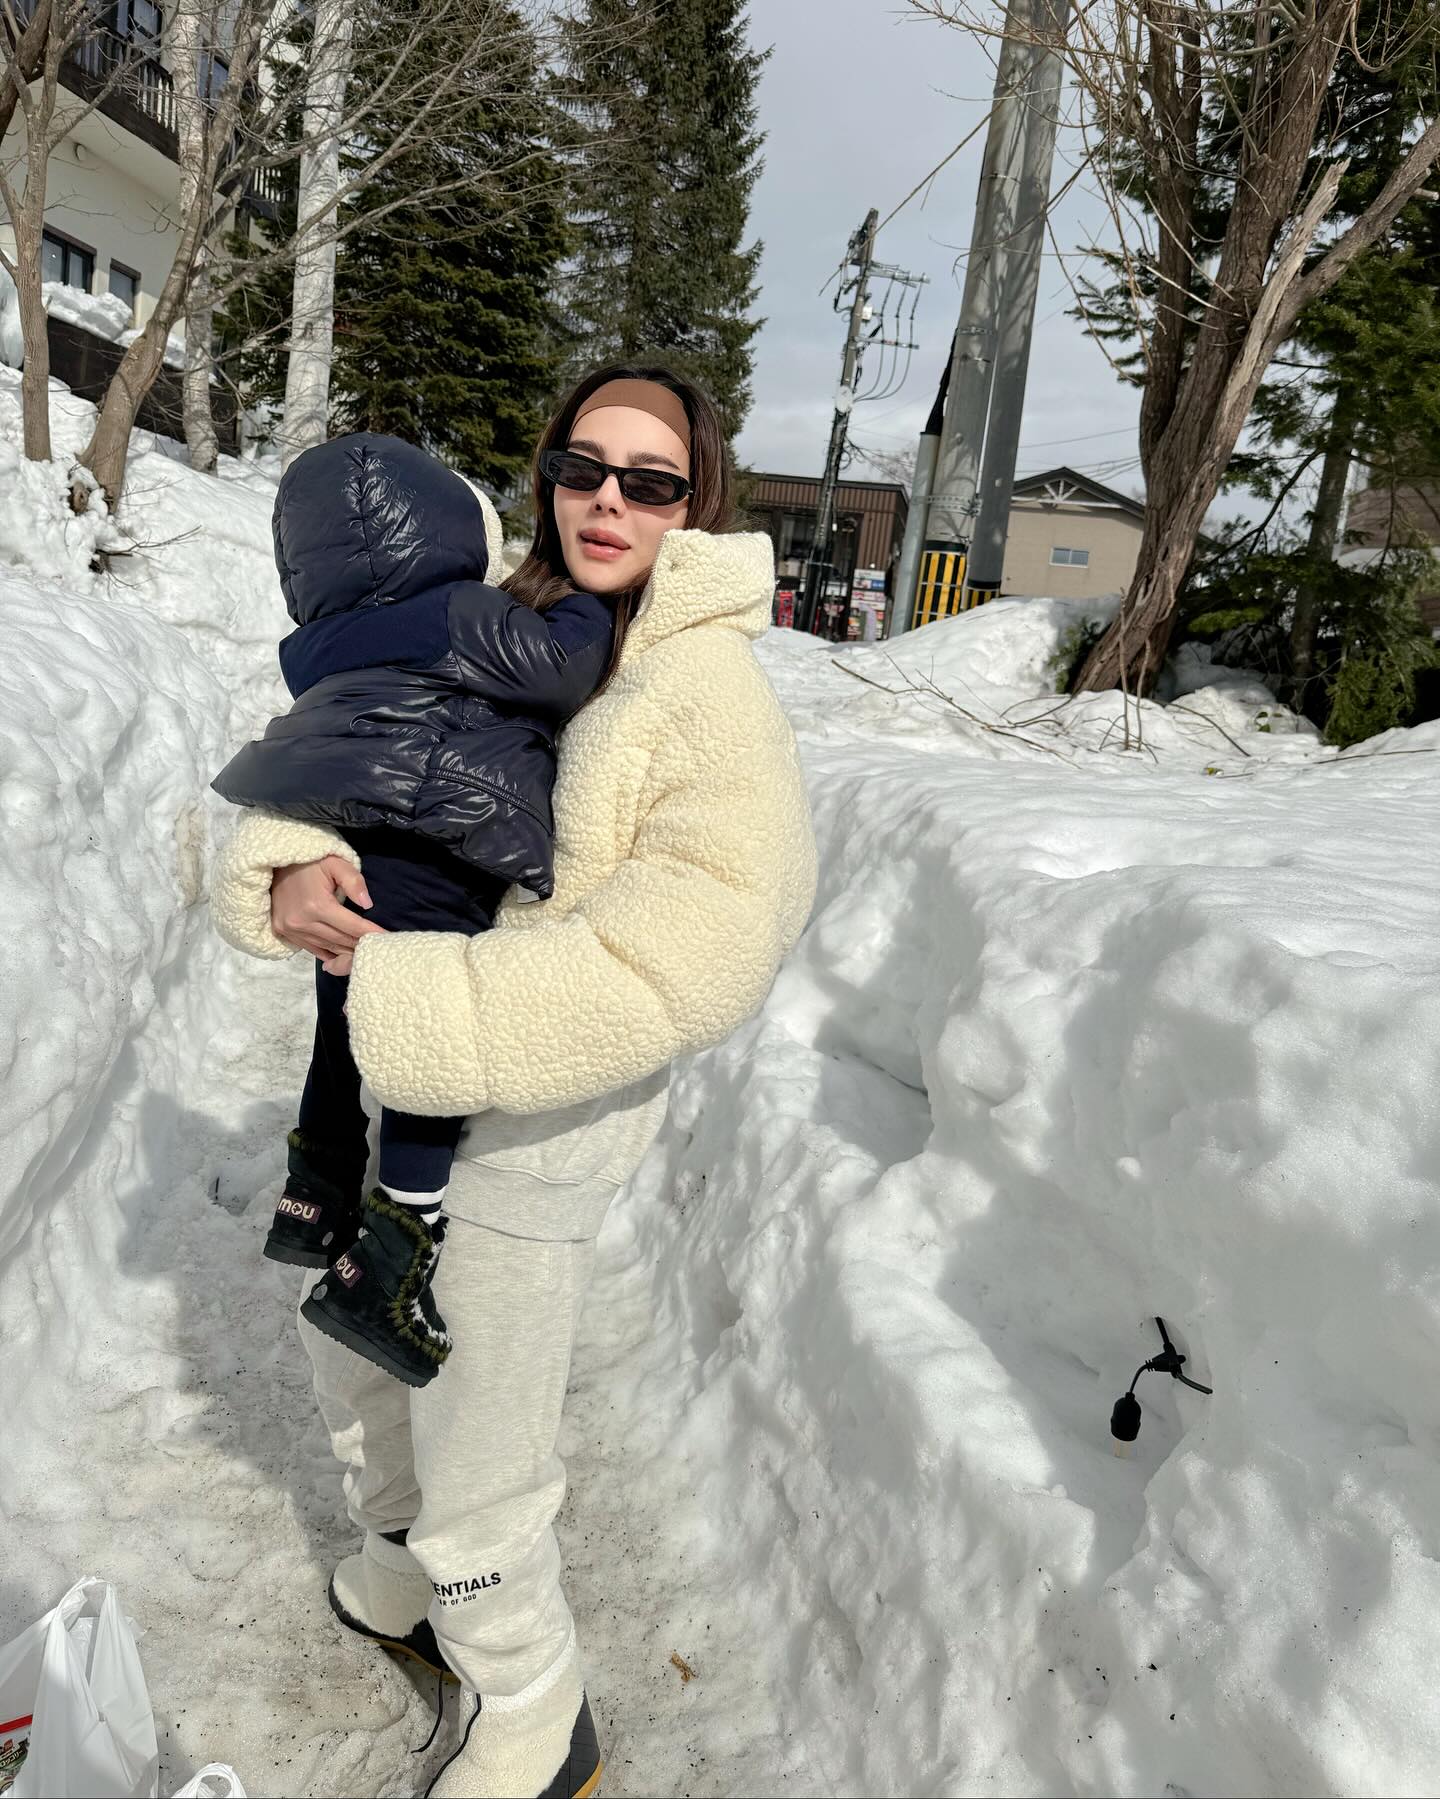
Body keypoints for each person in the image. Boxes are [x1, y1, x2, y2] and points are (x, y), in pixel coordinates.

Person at [210, 365, 818, 1799]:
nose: (610, 498)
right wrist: (284, 864)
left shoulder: (702, 687)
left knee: (478, 1427)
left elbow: (701, 949)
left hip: (529, 1123)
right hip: (384, 1082)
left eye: (650, 478)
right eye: (583, 464)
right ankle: (402, 1578)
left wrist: (425, 1001)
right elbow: (353, 752)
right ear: (544, 475)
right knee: (356, 1351)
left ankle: (535, 1709)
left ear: (698, 501)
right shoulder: (524, 620)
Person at [211, 432, 617, 1388]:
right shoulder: (456, 614)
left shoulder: (316, 643)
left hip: (357, 850)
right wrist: (590, 610)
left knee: (340, 1027)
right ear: (439, 534)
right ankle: (393, 1251)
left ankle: (314, 1193)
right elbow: (556, 667)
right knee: (425, 1049)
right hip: (439, 846)